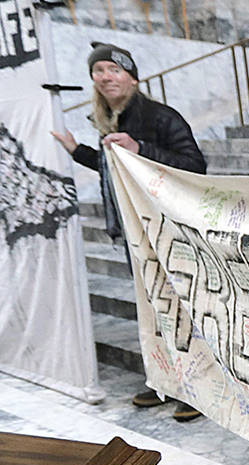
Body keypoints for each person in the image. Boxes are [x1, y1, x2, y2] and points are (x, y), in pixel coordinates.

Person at [52, 42, 209, 422]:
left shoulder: (158, 116)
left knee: (179, 307)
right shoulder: (111, 120)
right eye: (98, 71)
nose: (105, 77)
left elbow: (195, 165)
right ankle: (165, 380)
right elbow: (117, 173)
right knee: (152, 308)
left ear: (132, 77)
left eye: (113, 69)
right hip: (134, 230)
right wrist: (78, 151)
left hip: (166, 229)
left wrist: (140, 147)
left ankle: (199, 388)